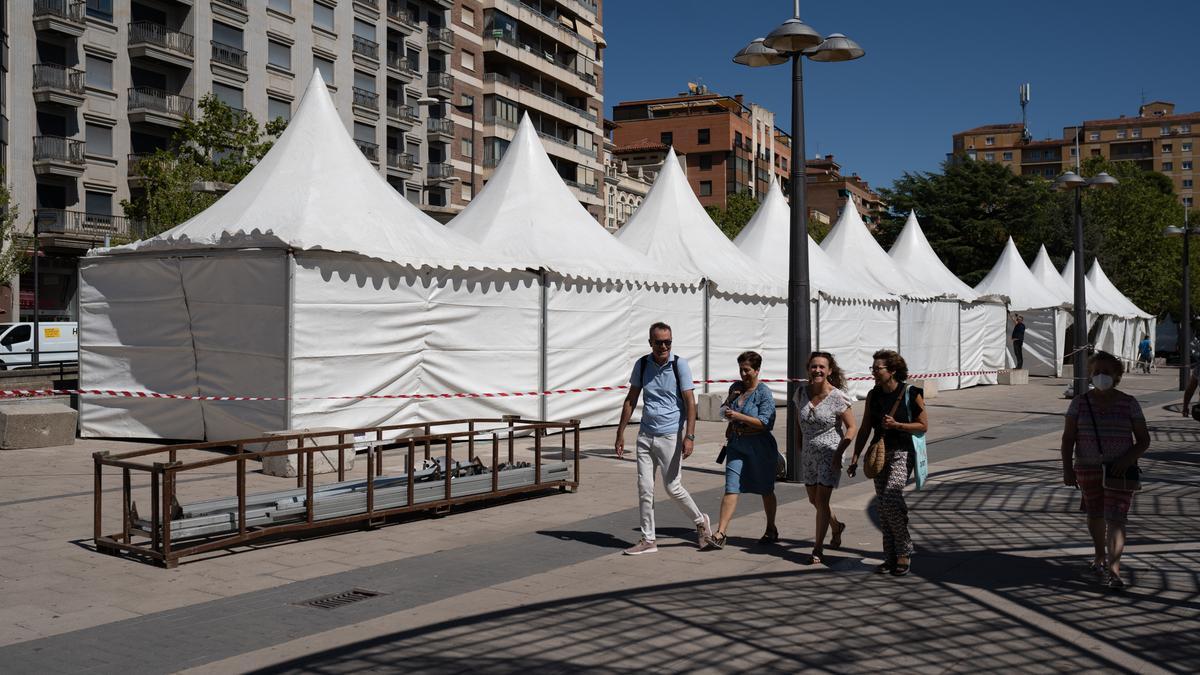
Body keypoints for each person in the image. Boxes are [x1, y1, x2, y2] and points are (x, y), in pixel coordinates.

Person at [615, 322, 711, 555]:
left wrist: (689, 436)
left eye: (668, 341)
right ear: (650, 343)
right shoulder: (642, 364)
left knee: (672, 487)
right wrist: (620, 433)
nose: (664, 346)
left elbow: (690, 402)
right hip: (645, 435)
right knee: (644, 488)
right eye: (659, 342)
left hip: (670, 435)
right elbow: (631, 399)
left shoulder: (680, 365)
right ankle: (648, 539)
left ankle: (700, 521)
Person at [1060, 351, 1151, 590]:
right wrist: (1067, 468)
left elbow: (1143, 439)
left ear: (1117, 376)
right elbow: (1068, 437)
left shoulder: (1129, 403)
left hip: (1119, 472)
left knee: (1117, 518)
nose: (1101, 376)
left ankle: (1114, 569)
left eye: (1106, 372)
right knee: (1095, 514)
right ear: (1090, 375)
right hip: (1087, 468)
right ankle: (1099, 555)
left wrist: (1128, 459)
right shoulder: (1079, 403)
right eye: (1096, 372)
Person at [849, 350, 927, 577]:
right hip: (880, 452)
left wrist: (898, 425)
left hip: (903, 451)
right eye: (872, 368)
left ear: (892, 371)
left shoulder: (911, 393)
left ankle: (904, 551)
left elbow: (923, 425)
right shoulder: (874, 395)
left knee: (892, 499)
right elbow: (865, 428)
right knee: (883, 506)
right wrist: (855, 456)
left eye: (877, 368)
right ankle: (890, 556)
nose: (873, 372)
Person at [707, 351, 778, 550]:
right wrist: (730, 420)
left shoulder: (763, 392)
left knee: (766, 489)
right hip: (737, 444)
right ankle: (720, 533)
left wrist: (739, 415)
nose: (743, 374)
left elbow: (766, 422)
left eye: (747, 370)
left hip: (760, 446)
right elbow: (728, 411)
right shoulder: (736, 388)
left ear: (757, 370)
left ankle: (771, 528)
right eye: (741, 369)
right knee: (731, 486)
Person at [794, 351, 857, 565]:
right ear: (808, 369)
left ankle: (818, 548)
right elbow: (798, 422)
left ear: (830, 370)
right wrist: (798, 444)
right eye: (814, 366)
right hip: (809, 454)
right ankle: (836, 526)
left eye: (822, 367)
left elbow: (852, 427)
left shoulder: (838, 397)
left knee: (822, 501)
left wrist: (840, 451)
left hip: (830, 453)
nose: (817, 370)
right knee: (814, 499)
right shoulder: (801, 393)